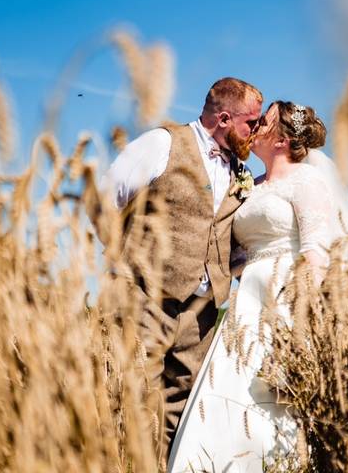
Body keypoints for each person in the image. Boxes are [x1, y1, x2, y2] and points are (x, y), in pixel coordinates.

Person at [167, 100, 348, 473]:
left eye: (265, 121)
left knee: (270, 401)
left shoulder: (307, 181)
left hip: (286, 300)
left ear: (283, 140)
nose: (254, 126)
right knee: (227, 393)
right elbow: (235, 254)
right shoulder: (250, 187)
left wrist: (301, 328)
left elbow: (317, 252)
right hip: (246, 308)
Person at [100, 77, 264, 465]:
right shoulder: (163, 143)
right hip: (146, 299)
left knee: (182, 406)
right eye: (251, 123)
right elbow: (106, 196)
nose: (255, 132)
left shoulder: (240, 173)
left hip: (202, 315)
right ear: (224, 118)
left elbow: (225, 237)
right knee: (134, 394)